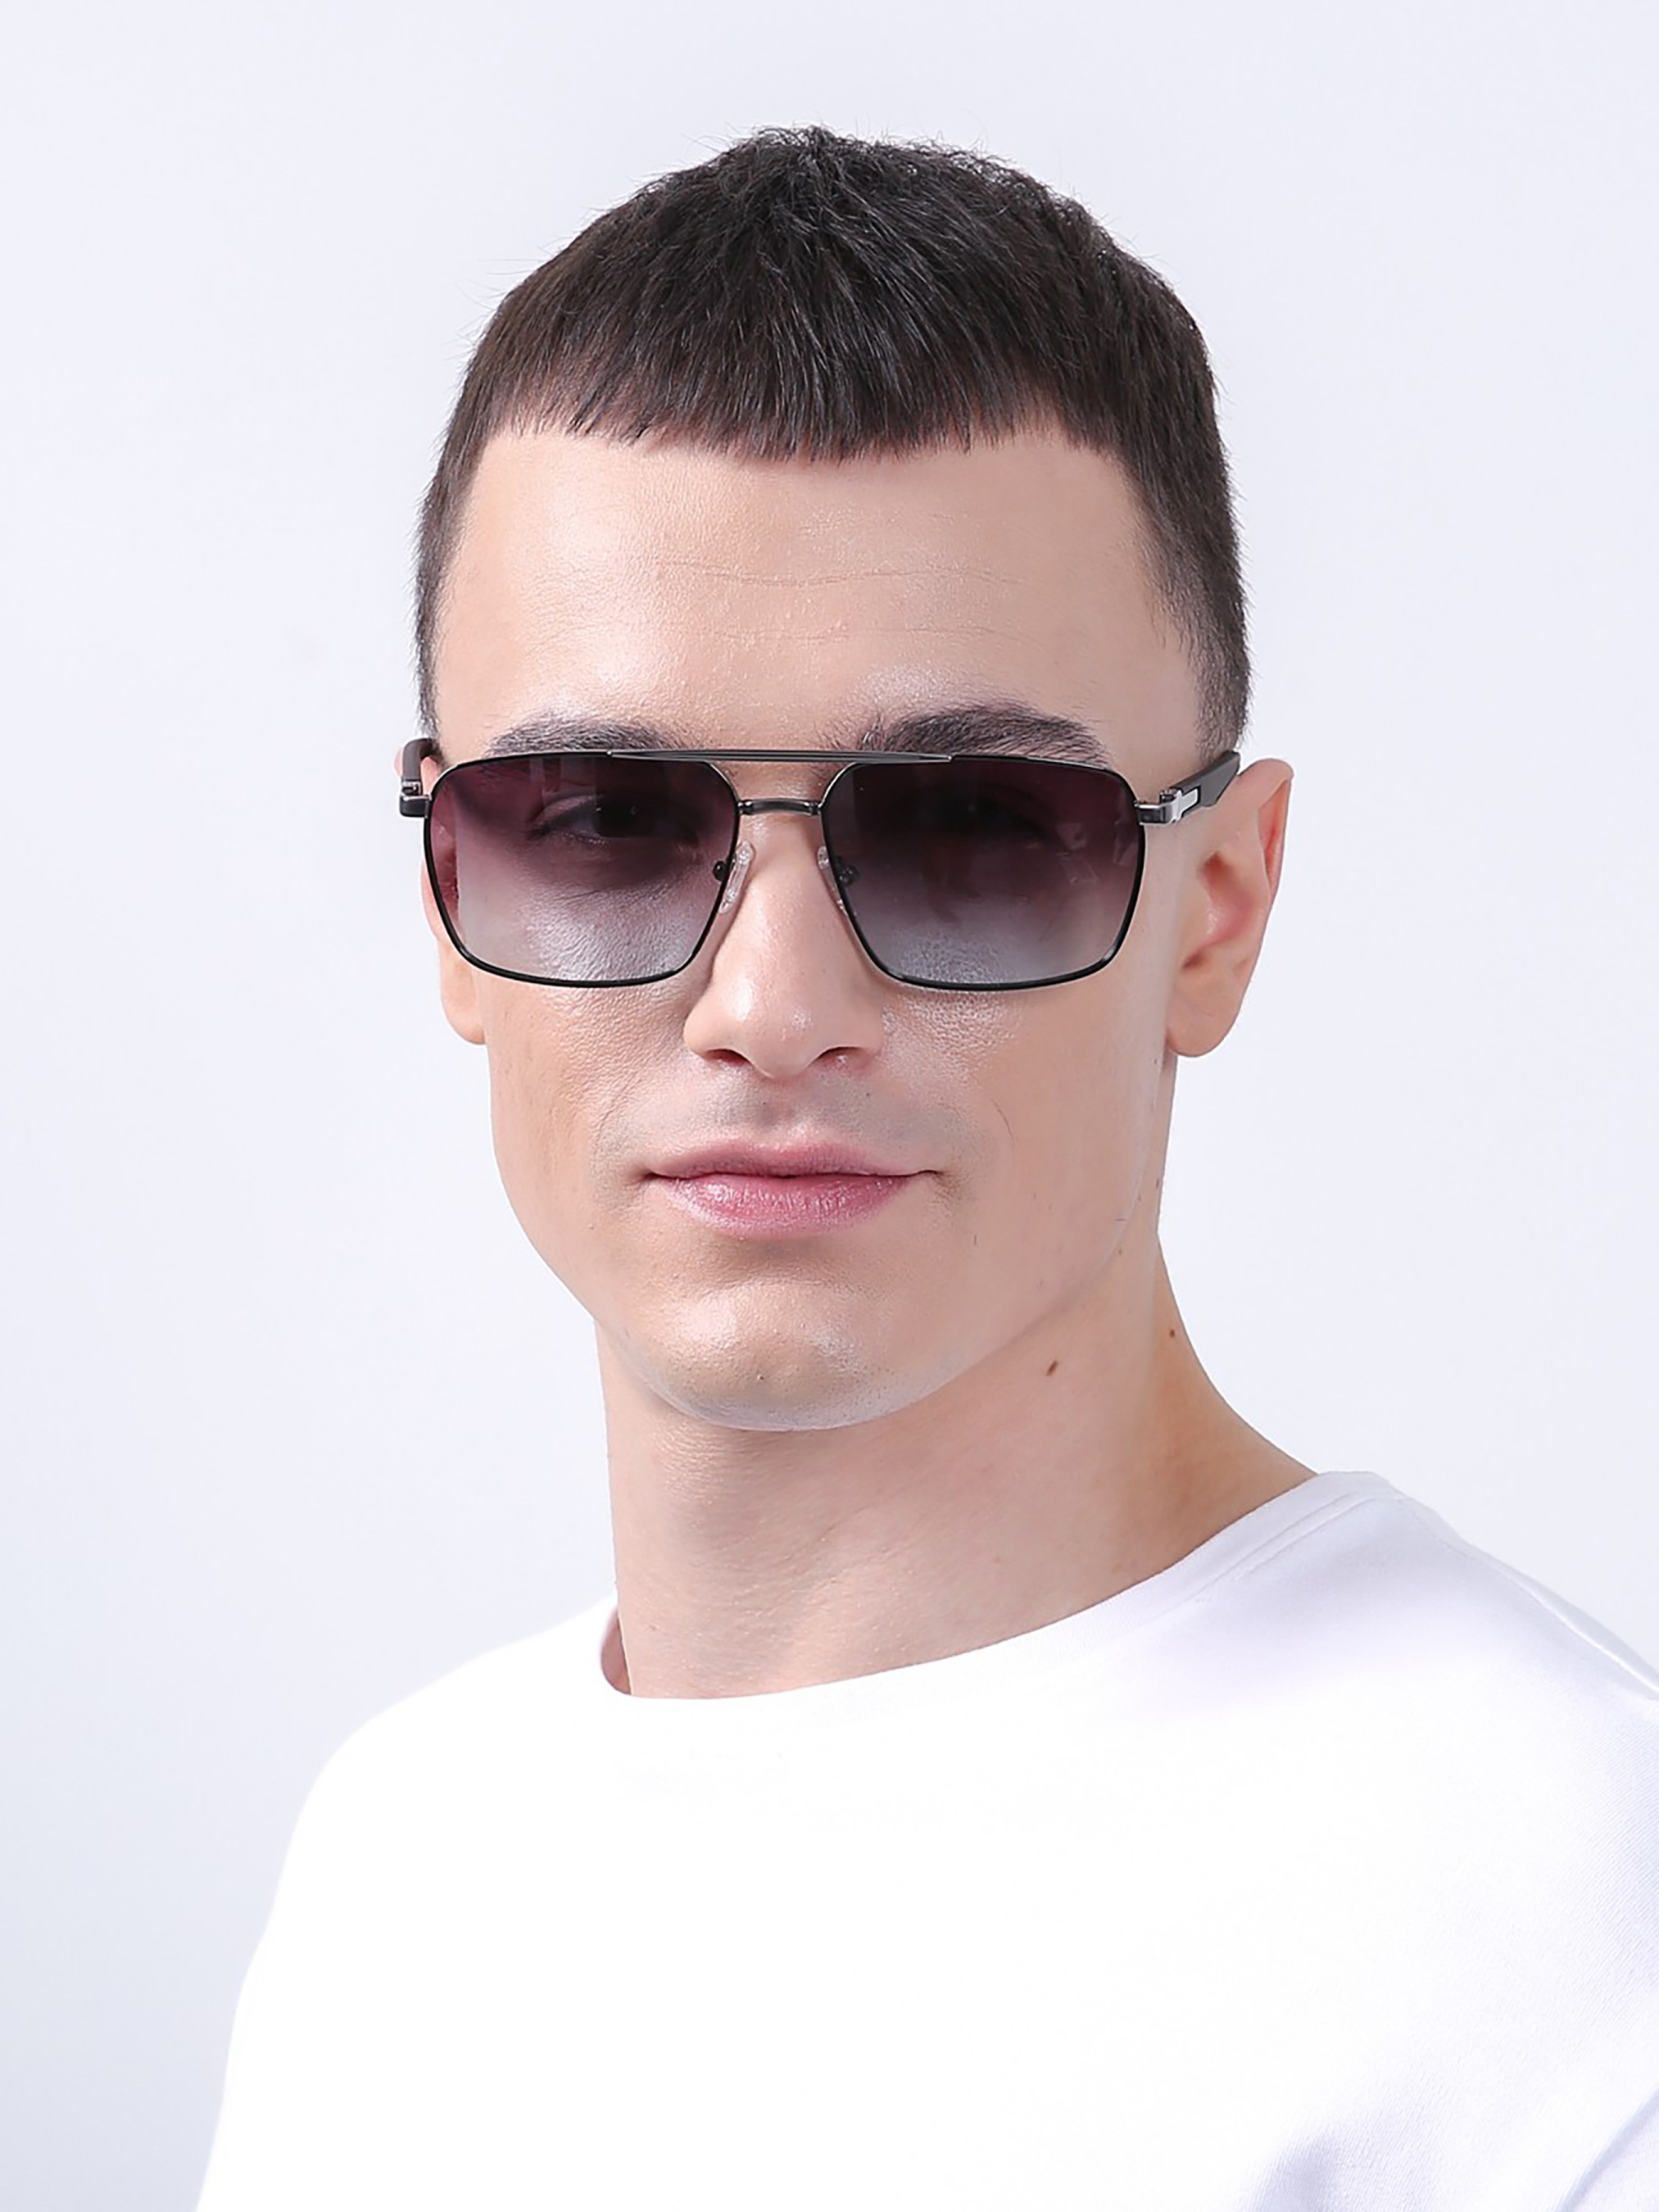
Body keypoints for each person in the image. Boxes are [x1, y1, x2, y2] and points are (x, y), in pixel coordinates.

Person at [196, 125, 1659, 2209]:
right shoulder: (399, 1855)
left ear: (1217, 910)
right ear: (446, 894)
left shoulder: (1568, 1949)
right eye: (600, 820)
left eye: (971, 825)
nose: (768, 1004)